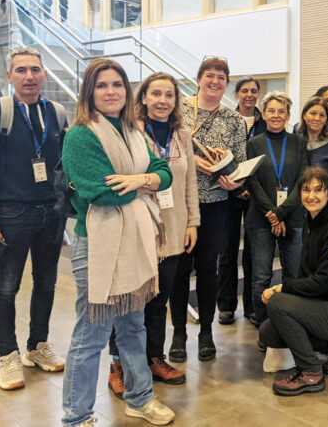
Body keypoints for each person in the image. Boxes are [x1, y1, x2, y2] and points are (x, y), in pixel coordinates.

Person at [61, 59, 175, 426]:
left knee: (133, 327)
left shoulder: (133, 131)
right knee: (91, 334)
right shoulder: (81, 136)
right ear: (89, 92)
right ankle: (77, 416)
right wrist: (145, 182)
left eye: (117, 84)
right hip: (98, 245)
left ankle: (139, 398)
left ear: (127, 91)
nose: (111, 91)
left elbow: (164, 172)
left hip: (135, 242)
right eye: (102, 85)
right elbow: (101, 192)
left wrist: (139, 180)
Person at [0, 47, 67, 391]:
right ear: (10, 76)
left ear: (44, 74)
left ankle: (37, 345)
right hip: (12, 214)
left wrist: (66, 207)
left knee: (47, 283)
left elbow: (62, 166)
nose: (29, 76)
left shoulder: (56, 114)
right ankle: (7, 355)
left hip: (51, 214)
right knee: (7, 286)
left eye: (35, 69)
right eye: (21, 70)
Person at [106, 73, 200, 396]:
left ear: (176, 101)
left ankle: (154, 358)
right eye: (156, 94)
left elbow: (189, 183)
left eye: (169, 95)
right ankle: (118, 364)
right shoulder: (130, 132)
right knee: (130, 301)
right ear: (143, 98)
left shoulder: (182, 136)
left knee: (160, 301)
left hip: (174, 228)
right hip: (139, 226)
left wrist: (193, 222)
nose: (162, 100)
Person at [259, 166, 328, 396]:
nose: (311, 196)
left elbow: (323, 281)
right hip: (324, 305)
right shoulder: (311, 222)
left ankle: (310, 372)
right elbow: (307, 275)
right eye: (306, 190)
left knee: (278, 304)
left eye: (319, 190)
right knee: (268, 332)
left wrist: (282, 289)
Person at [170, 57, 246, 362]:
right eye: (210, 75)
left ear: (226, 83)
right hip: (179, 204)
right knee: (179, 270)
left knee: (207, 270)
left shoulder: (234, 119)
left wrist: (233, 180)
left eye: (221, 77)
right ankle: (178, 333)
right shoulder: (179, 110)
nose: (215, 81)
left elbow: (239, 162)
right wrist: (193, 161)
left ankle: (205, 333)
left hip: (216, 204)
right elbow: (163, 149)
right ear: (199, 78)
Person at [246, 92, 308, 326]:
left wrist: (280, 213)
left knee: (294, 274)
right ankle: (264, 323)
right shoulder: (254, 144)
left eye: (281, 111)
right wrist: (272, 213)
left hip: (292, 217)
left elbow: (302, 181)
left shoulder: (299, 142)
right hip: (261, 218)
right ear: (263, 113)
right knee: (261, 276)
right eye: (271, 110)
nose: (276, 115)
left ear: (288, 115)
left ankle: (291, 322)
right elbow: (252, 182)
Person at [216, 76, 265, 326]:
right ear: (237, 94)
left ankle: (252, 306)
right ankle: (226, 305)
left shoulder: (265, 123)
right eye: (244, 90)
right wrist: (237, 186)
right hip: (229, 193)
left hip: (257, 195)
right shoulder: (226, 120)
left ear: (258, 94)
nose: (249, 95)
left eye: (253, 91)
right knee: (227, 251)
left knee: (254, 252)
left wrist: (250, 187)